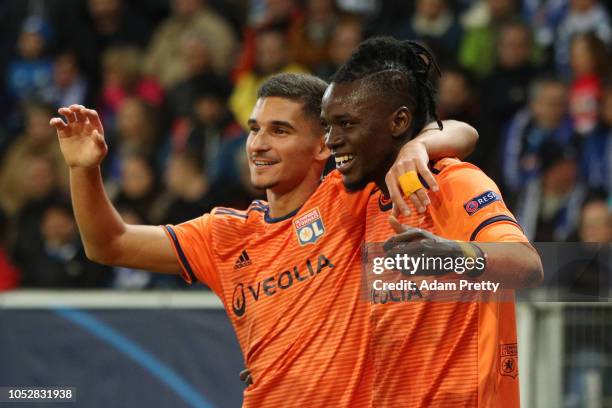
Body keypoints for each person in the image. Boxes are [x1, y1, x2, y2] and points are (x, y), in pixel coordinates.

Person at [50, 74, 477, 406]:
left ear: (323, 145)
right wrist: (83, 169)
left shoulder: (351, 198)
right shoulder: (224, 234)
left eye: (280, 130)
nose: (257, 144)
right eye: (255, 128)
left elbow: (462, 130)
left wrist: (415, 148)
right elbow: (109, 244)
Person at [321, 37, 543, 407]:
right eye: (327, 125)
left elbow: (527, 265)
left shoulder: (452, 182)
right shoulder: (355, 200)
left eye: (346, 123)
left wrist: (448, 256)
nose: (332, 140)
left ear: (399, 121)